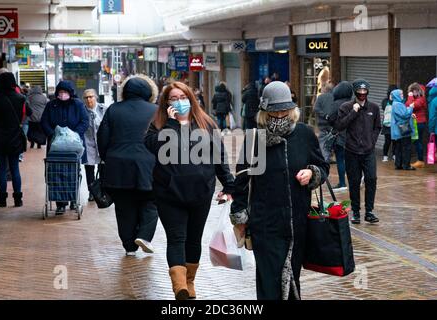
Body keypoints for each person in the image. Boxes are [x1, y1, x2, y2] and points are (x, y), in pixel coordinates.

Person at [231, 81, 329, 300]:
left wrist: (312, 174)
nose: (279, 115)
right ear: (265, 112)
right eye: (274, 111)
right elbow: (241, 181)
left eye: (284, 110)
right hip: (265, 226)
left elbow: (322, 167)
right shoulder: (255, 139)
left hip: (297, 224)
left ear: (292, 110)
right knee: (269, 280)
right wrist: (240, 215)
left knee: (293, 277)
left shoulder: (304, 134)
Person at [145, 81, 234, 300]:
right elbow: (153, 146)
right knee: (176, 238)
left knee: (194, 239)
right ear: (166, 103)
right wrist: (172, 124)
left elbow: (219, 157)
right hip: (169, 194)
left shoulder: (206, 123)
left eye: (182, 97)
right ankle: (179, 288)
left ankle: (189, 282)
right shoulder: (158, 124)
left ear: (190, 99)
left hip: (200, 193)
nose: (179, 102)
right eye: (173, 98)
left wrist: (230, 185)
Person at [98, 74, 159, 256]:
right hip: (149, 167)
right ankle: (144, 236)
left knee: (124, 207)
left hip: (118, 167)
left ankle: (129, 247)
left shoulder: (113, 110)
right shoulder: (156, 111)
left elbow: (102, 137)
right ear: (150, 91)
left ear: (124, 90)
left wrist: (108, 157)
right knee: (151, 202)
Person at [335, 79, 382, 224]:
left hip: (368, 152)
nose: (362, 94)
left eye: (364, 91)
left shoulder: (373, 108)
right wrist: (353, 112)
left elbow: (377, 127)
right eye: (359, 91)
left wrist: (372, 141)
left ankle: (369, 211)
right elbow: (340, 126)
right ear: (355, 92)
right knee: (354, 182)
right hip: (351, 151)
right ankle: (355, 212)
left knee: (371, 179)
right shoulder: (346, 107)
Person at [41, 80, 89, 215]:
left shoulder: (78, 104)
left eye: (65, 92)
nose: (63, 95)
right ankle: (60, 203)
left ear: (70, 93)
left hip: (73, 145)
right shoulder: (51, 105)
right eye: (60, 92)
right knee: (57, 172)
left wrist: (73, 134)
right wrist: (53, 134)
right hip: (56, 145)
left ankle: (74, 198)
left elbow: (85, 121)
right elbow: (44, 122)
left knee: (73, 171)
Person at [0, 72, 31, 207]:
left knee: (1, 170)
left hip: (0, 140)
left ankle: (2, 199)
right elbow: (29, 113)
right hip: (15, 139)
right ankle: (18, 199)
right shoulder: (20, 98)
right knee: (15, 169)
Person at [82, 89, 107, 202]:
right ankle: (91, 193)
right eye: (86, 97)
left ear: (96, 97)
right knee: (89, 169)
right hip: (88, 144)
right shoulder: (82, 111)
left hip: (102, 143)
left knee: (103, 169)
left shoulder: (103, 109)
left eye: (91, 97)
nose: (89, 99)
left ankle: (102, 191)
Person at [329, 81, 353, 190]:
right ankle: (359, 178)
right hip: (353, 136)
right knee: (353, 159)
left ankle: (342, 183)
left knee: (340, 159)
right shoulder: (353, 102)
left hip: (340, 136)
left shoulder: (336, 104)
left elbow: (331, 119)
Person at [391, 89, 416, 171]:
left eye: (402, 93)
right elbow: (405, 115)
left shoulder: (396, 103)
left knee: (399, 148)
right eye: (400, 94)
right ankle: (406, 165)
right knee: (406, 147)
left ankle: (398, 164)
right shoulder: (398, 104)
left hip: (398, 130)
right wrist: (411, 108)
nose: (402, 95)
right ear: (396, 95)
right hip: (403, 129)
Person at [406, 83, 427, 168]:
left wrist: (410, 97)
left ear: (418, 91)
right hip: (415, 122)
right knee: (417, 141)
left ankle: (420, 161)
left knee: (417, 141)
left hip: (419, 123)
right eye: (411, 91)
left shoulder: (421, 99)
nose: (412, 92)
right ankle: (419, 160)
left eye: (414, 91)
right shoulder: (415, 98)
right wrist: (411, 99)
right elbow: (407, 105)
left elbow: (413, 106)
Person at [313, 82, 335, 162]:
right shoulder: (335, 98)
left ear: (325, 89)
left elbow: (315, 108)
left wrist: (324, 115)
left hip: (322, 123)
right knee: (332, 139)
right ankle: (329, 156)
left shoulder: (321, 97)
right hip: (332, 123)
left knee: (322, 140)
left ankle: (324, 159)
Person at [381, 85, 398, 162]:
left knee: (395, 141)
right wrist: (391, 100)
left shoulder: (398, 101)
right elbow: (384, 107)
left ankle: (394, 154)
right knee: (387, 141)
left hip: (395, 124)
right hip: (387, 124)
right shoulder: (385, 100)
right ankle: (385, 155)